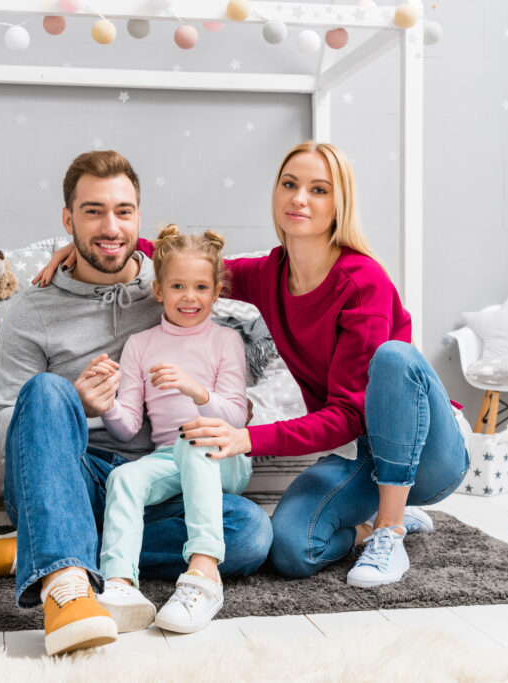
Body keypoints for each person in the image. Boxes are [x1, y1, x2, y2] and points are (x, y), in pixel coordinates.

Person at [35, 141, 470, 590]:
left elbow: (348, 413)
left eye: (319, 190)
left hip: (427, 451)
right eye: (290, 184)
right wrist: (97, 246)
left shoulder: (363, 281)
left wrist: (246, 437)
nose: (300, 198)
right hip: (363, 455)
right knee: (291, 549)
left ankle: (389, 529)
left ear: (340, 204)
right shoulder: (269, 275)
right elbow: (188, 265)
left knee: (395, 357)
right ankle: (370, 524)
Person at [0, 150, 272, 657]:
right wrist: (75, 408)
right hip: (67, 473)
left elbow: (205, 276)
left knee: (250, 531)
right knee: (48, 390)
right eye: (93, 212)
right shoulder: (32, 307)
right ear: (68, 221)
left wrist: (222, 404)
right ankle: (66, 587)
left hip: (156, 478)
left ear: (138, 217)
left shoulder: (168, 286)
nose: (110, 227)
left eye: (123, 211)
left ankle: (46, 542)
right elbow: (0, 425)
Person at [89, 224, 251, 635]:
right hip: (168, 456)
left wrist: (196, 390)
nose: (189, 296)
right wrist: (106, 406)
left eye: (201, 287)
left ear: (216, 292)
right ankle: (119, 585)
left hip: (222, 452)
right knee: (124, 477)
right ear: (159, 290)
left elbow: (235, 417)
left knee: (194, 436)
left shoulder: (225, 340)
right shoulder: (141, 345)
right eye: (178, 286)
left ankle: (204, 574)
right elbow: (128, 427)